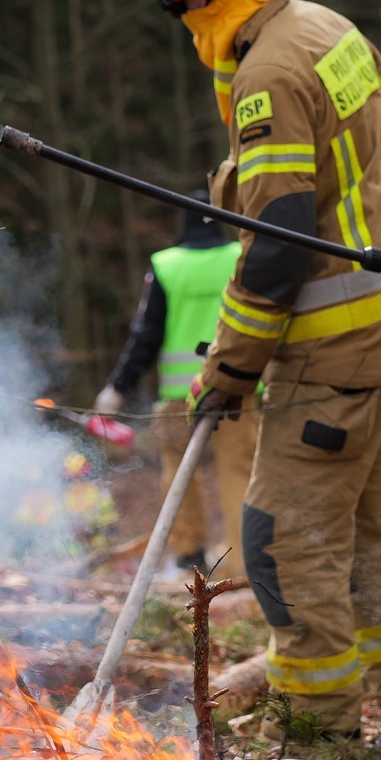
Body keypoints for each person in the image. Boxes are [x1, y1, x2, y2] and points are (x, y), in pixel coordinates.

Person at [152, 0, 381, 759]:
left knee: (281, 548)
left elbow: (278, 244)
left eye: (182, 10)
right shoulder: (330, 29)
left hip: (330, 351)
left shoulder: (265, 74)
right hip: (380, 329)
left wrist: (228, 367)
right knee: (372, 541)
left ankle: (314, 745)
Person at [97, 202, 261, 579]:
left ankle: (191, 558)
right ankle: (246, 568)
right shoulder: (240, 255)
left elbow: (146, 334)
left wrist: (118, 386)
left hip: (180, 395)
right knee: (240, 472)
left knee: (179, 475)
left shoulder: (166, 265)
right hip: (239, 387)